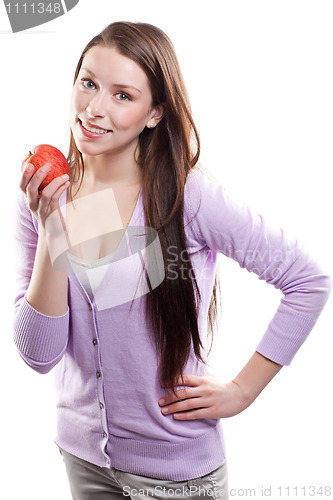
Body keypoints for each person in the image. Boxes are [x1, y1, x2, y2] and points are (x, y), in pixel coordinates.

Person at [13, 21, 331, 500]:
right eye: (89, 83)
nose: (95, 108)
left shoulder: (189, 198)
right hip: (83, 462)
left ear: (155, 113)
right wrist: (53, 227)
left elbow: (308, 281)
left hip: (182, 476)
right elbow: (39, 356)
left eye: (123, 96)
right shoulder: (41, 196)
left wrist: (242, 392)